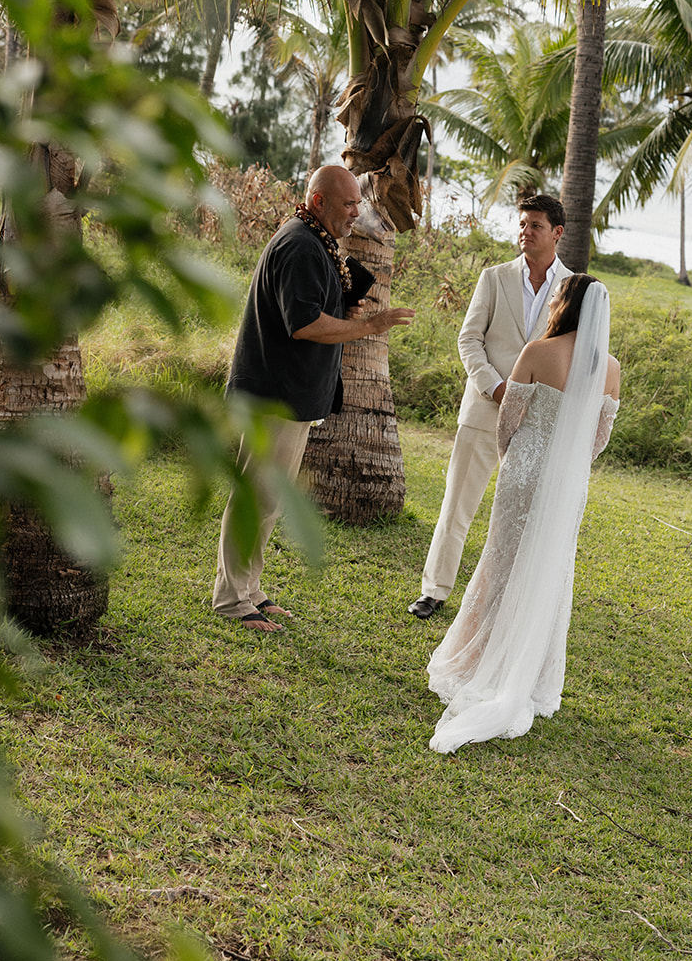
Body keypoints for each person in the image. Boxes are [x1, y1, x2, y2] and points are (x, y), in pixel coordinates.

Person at [214, 164, 414, 633]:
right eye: (349, 204)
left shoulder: (312, 238)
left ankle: (249, 590)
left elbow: (311, 307)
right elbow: (302, 324)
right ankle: (231, 599)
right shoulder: (301, 245)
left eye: (357, 203)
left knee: (269, 498)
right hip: (274, 396)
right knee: (257, 495)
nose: (356, 212)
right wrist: (368, 326)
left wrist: (344, 306)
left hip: (289, 394)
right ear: (319, 201)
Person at [426, 274, 620, 753]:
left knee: (500, 565)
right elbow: (599, 440)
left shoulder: (538, 351)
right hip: (568, 484)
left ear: (568, 305)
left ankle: (475, 666)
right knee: (549, 572)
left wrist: (517, 462)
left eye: (558, 295)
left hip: (523, 475)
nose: (552, 299)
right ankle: (529, 676)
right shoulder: (611, 369)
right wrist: (568, 471)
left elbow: (508, 421)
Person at [407, 192, 572, 619]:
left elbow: (569, 352)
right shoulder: (494, 278)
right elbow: (468, 340)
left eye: (535, 225)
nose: (525, 231)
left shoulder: (573, 288)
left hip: (535, 421)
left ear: (556, 232)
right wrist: (496, 388)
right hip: (484, 410)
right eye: (522, 224)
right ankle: (434, 590)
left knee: (522, 518)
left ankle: (510, 601)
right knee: (457, 504)